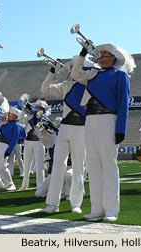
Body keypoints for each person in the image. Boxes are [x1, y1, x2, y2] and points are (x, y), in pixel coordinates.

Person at [71, 43, 136, 221]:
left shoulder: (120, 75)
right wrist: (82, 54)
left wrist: (120, 128)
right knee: (92, 165)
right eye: (101, 56)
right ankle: (96, 208)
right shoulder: (93, 74)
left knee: (108, 165)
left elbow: (123, 102)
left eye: (106, 55)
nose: (102, 58)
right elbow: (75, 74)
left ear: (114, 58)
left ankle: (111, 210)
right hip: (90, 118)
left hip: (108, 118)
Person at [41, 56, 88, 214]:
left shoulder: (89, 85)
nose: (71, 68)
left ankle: (76, 203)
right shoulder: (66, 85)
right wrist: (52, 71)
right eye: (71, 66)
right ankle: (53, 203)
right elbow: (45, 89)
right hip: (65, 127)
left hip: (81, 127)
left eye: (75, 66)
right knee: (57, 166)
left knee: (78, 167)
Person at [19, 99, 49, 190]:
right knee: (26, 164)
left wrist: (33, 112)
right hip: (28, 141)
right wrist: (24, 110)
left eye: (39, 107)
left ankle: (40, 185)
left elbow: (39, 125)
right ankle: (24, 184)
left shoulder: (45, 117)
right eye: (36, 107)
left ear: (43, 109)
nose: (36, 108)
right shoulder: (29, 117)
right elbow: (20, 119)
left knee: (40, 165)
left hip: (39, 142)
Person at [0, 107, 24, 192]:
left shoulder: (17, 125)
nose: (9, 115)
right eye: (9, 113)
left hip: (5, 145)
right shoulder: (5, 123)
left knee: (2, 166)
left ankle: (10, 184)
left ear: (16, 116)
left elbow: (15, 139)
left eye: (11, 114)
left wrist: (9, 150)